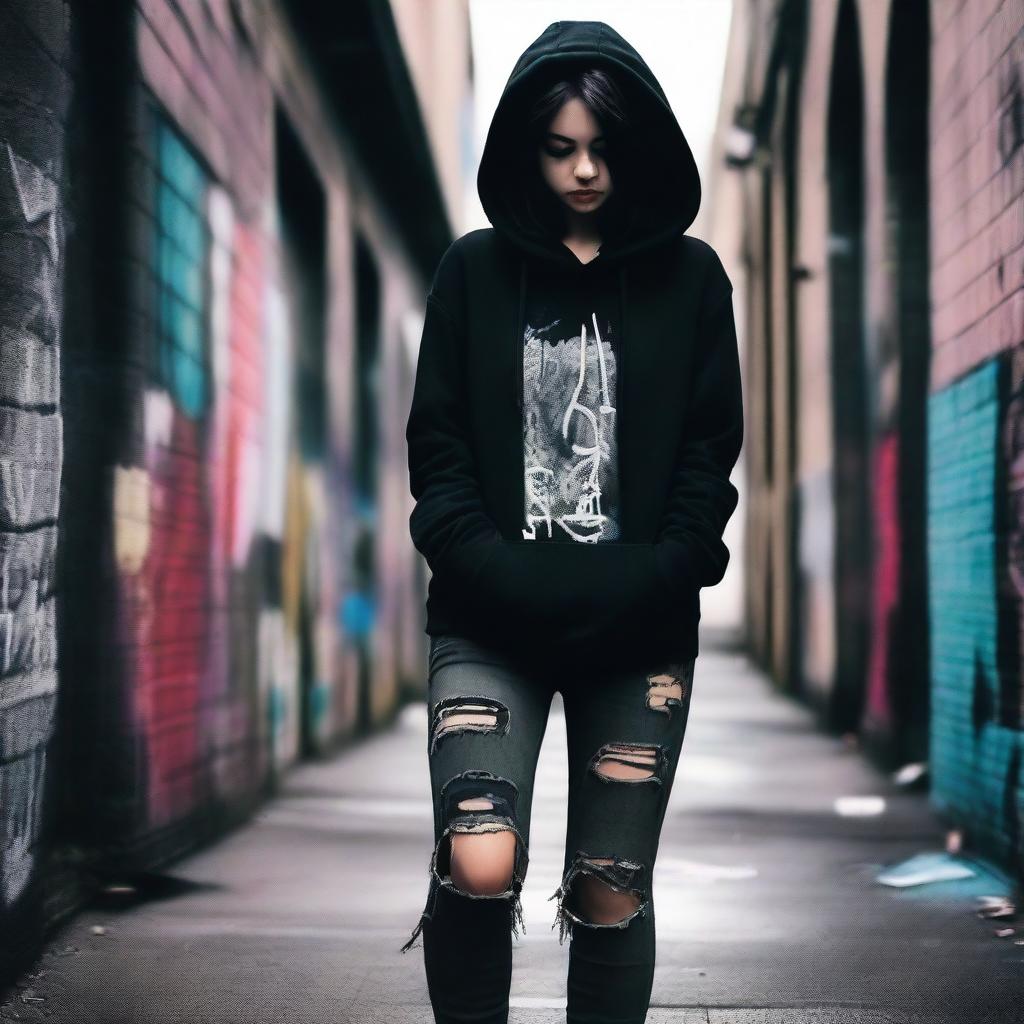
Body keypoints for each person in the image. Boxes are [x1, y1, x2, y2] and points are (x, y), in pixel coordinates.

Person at [400, 19, 743, 1024]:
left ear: (635, 144)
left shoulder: (691, 280)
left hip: (635, 630)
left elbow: (704, 458)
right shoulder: (471, 273)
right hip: (486, 623)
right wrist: (496, 575)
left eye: (601, 146)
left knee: (607, 884)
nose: (584, 169)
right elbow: (440, 455)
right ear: (526, 147)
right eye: (559, 148)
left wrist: (662, 571)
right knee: (478, 853)